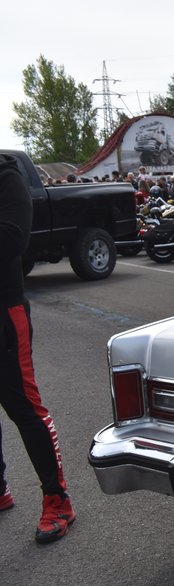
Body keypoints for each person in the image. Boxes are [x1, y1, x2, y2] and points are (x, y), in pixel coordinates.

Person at [0, 152, 76, 543]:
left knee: (25, 409)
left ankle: (57, 500)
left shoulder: (5, 173)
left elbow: (12, 237)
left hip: (4, 309)